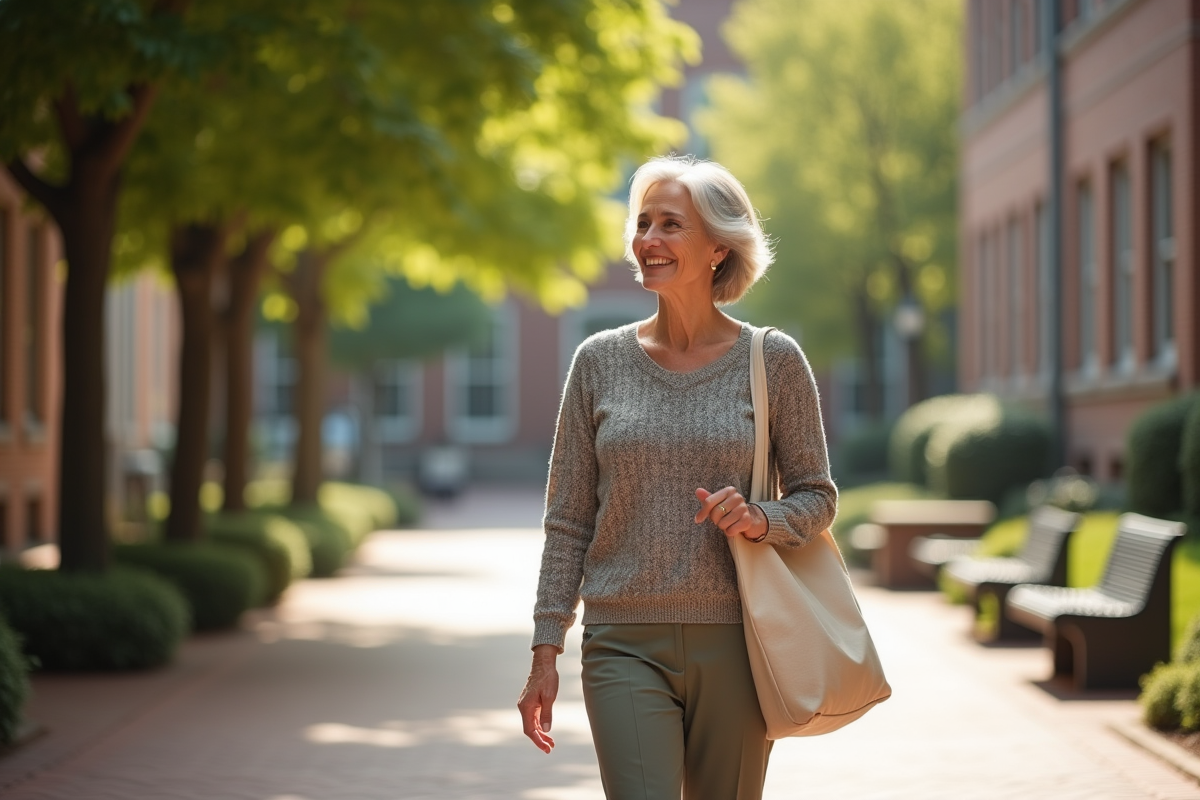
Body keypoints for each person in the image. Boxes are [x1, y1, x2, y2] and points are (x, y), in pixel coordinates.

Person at [517, 154, 838, 800]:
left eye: (670, 225)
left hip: (741, 643)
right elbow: (568, 516)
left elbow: (817, 497)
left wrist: (760, 517)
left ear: (719, 247)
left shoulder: (772, 360)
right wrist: (546, 646)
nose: (648, 241)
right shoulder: (597, 362)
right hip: (622, 643)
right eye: (643, 224)